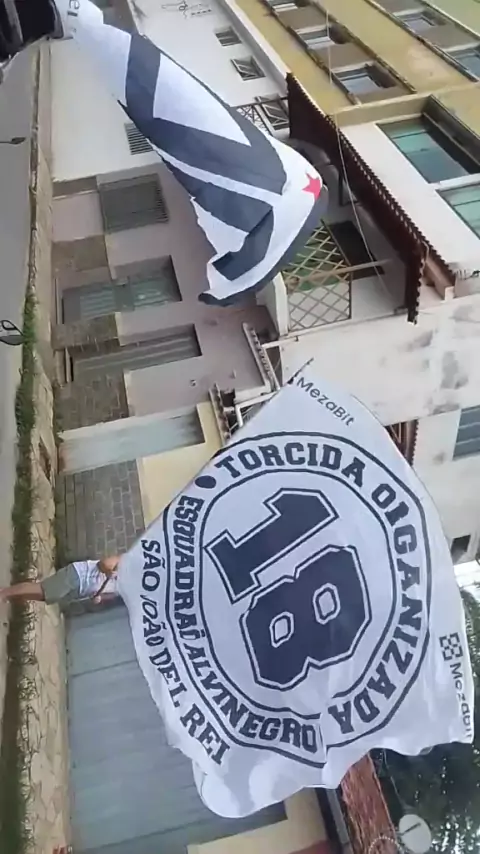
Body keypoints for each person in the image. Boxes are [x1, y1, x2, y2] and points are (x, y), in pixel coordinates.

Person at [0, 555, 121, 607]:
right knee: (42, 589)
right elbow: (104, 563)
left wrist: (99, 598)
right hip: (78, 575)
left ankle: (9, 595)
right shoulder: (125, 562)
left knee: (44, 596)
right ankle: (4, 593)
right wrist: (108, 572)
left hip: (80, 590)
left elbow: (110, 594)